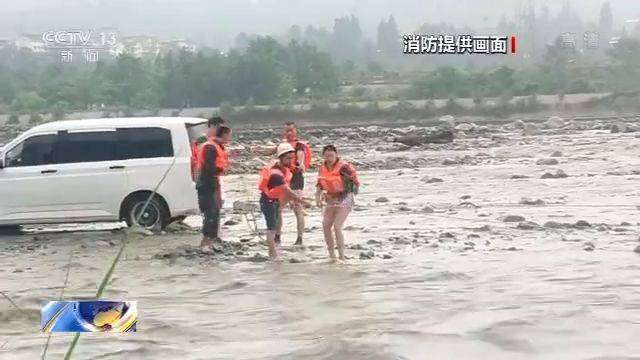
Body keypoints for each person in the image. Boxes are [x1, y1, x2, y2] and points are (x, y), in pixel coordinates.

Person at [251, 122, 312, 246]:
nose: (289, 133)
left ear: (296, 131)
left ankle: (299, 238)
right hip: (283, 180)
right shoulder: (282, 146)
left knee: (297, 209)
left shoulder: (299, 147)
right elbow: (271, 151)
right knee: (278, 209)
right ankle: (277, 236)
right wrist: (257, 150)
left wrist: (300, 165)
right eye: (286, 131)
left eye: (291, 130)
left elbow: (300, 159)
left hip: (296, 181)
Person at [259, 143, 310, 261]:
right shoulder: (276, 174)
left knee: (273, 226)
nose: (291, 160)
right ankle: (273, 255)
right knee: (271, 228)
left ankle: (274, 251)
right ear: (281, 158)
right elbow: (288, 191)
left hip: (274, 199)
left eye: (292, 158)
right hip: (268, 201)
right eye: (288, 158)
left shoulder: (283, 169)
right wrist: (303, 202)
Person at [315, 145, 360, 262]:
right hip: (330, 197)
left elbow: (354, 187)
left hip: (345, 198)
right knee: (325, 225)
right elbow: (320, 185)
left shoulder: (344, 168)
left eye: (331, 156)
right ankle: (331, 255)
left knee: (337, 226)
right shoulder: (322, 168)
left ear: (336, 155)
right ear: (323, 156)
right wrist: (317, 197)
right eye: (327, 156)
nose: (329, 158)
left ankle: (342, 256)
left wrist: (340, 195)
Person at [196, 125, 231, 253]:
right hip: (206, 183)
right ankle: (204, 244)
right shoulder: (210, 147)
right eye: (229, 135)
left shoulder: (217, 146)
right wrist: (221, 169)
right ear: (224, 135)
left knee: (215, 212)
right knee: (210, 213)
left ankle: (210, 242)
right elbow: (208, 166)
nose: (229, 138)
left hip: (213, 182)